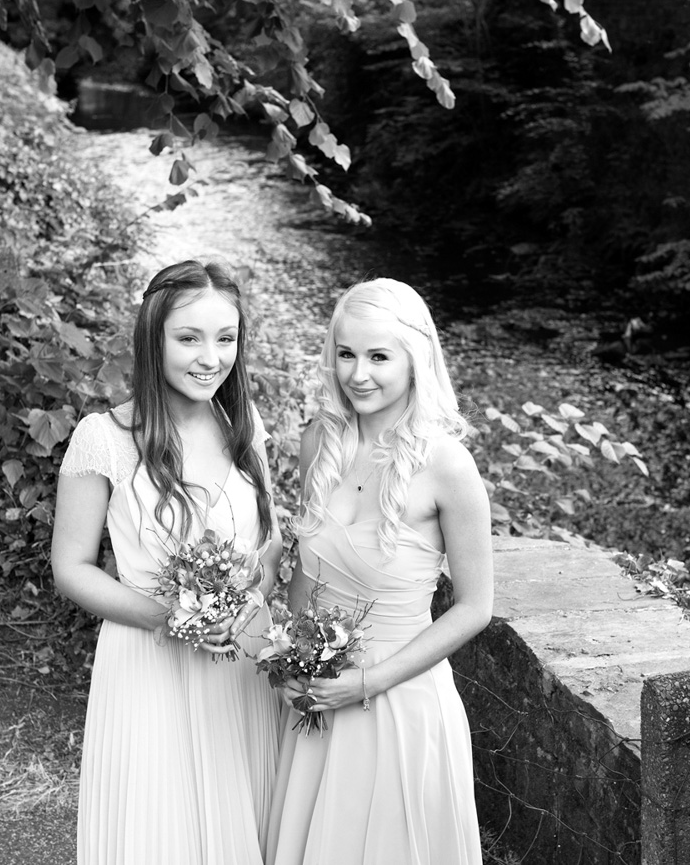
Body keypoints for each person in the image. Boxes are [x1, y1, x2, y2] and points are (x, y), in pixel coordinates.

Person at [51, 260, 283, 865]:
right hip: (148, 662)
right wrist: (169, 617)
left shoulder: (243, 425)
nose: (211, 357)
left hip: (238, 662)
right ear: (152, 339)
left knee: (240, 818)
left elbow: (273, 540)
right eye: (189, 338)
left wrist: (248, 599)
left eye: (226, 338)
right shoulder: (103, 437)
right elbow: (71, 567)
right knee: (160, 829)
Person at [266, 278, 494, 865]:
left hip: (398, 702)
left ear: (415, 361)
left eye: (378, 357)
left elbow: (474, 607)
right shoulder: (321, 439)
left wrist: (367, 682)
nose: (358, 374)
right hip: (316, 696)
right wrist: (289, 662)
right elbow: (306, 576)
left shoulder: (447, 466)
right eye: (346, 354)